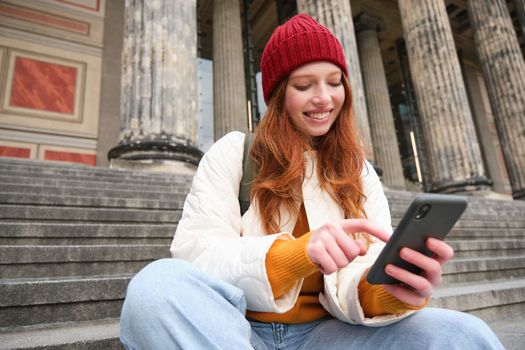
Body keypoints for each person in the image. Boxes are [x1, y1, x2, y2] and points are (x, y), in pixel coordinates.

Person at [119, 14, 504, 350]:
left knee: (462, 333)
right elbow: (196, 257)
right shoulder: (234, 152)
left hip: (328, 336)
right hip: (233, 332)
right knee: (157, 287)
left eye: (334, 82)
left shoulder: (360, 171)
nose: (324, 98)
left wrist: (386, 294)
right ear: (278, 93)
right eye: (304, 86)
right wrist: (297, 254)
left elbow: (360, 275)